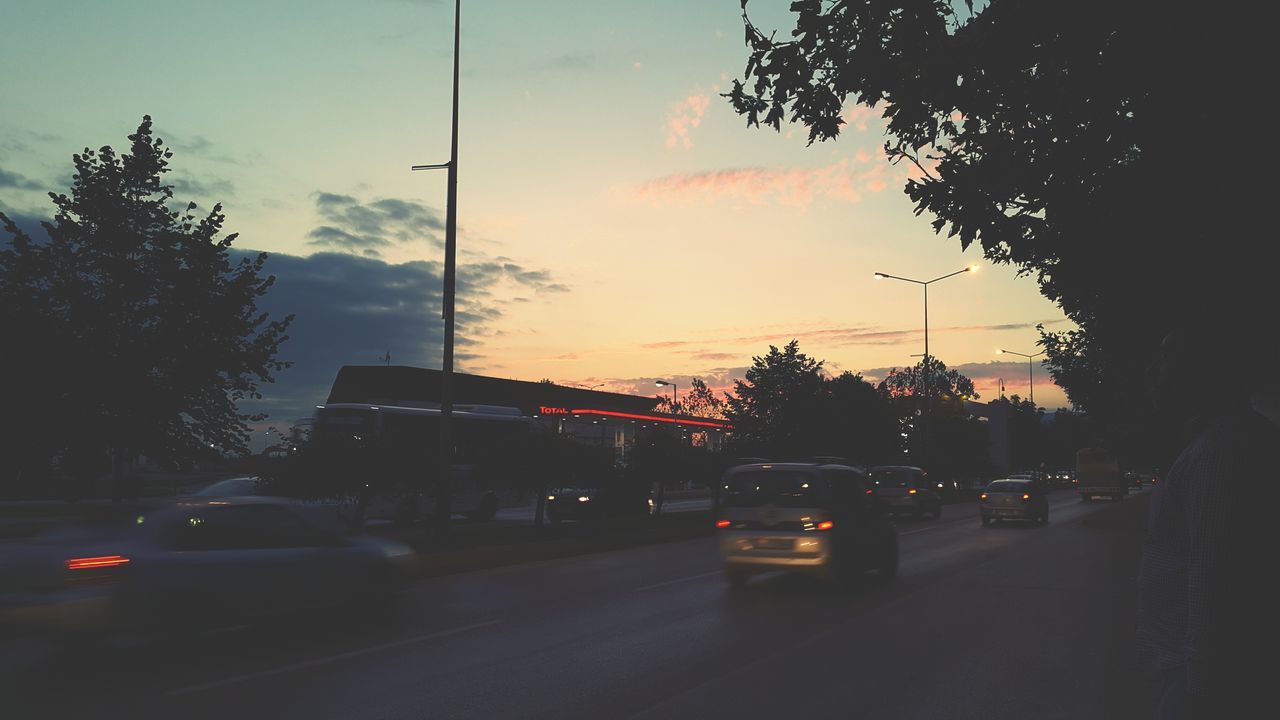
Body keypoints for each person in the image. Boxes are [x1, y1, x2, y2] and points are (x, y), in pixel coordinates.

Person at [1138, 318, 1278, 718]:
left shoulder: (1220, 451)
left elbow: (1216, 577)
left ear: (1206, 372)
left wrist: (1201, 689)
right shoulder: (1215, 443)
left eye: (1168, 357)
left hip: (1202, 684)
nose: (1153, 370)